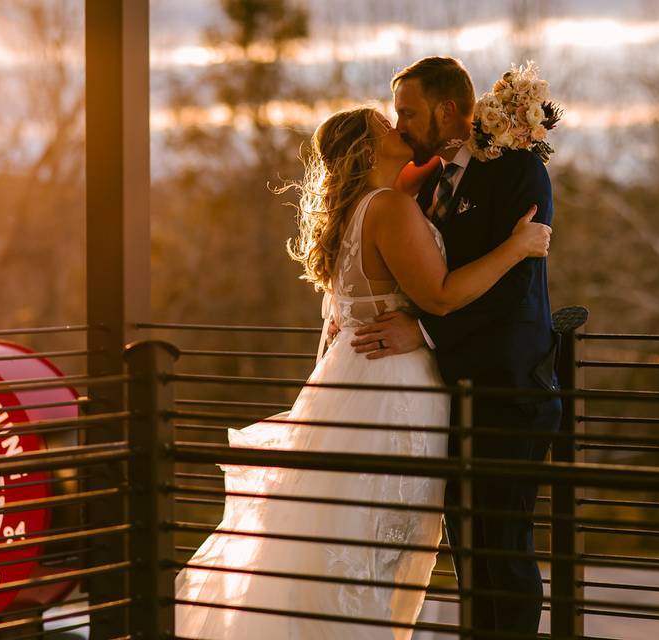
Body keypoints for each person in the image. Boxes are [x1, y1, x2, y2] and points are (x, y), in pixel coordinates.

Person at [174, 105, 550, 639]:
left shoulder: (361, 204)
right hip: (392, 392)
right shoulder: (391, 208)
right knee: (377, 549)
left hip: (356, 383)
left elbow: (437, 160)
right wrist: (518, 248)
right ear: (369, 150)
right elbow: (440, 297)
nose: (397, 124)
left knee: (347, 543)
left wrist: (479, 132)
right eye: (384, 122)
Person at [348, 57, 563, 638]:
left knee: (503, 552)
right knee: (470, 555)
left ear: (447, 110)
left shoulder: (518, 171)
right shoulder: (425, 184)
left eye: (409, 113)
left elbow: (512, 292)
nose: (401, 126)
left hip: (509, 390)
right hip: (454, 396)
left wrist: (420, 330)